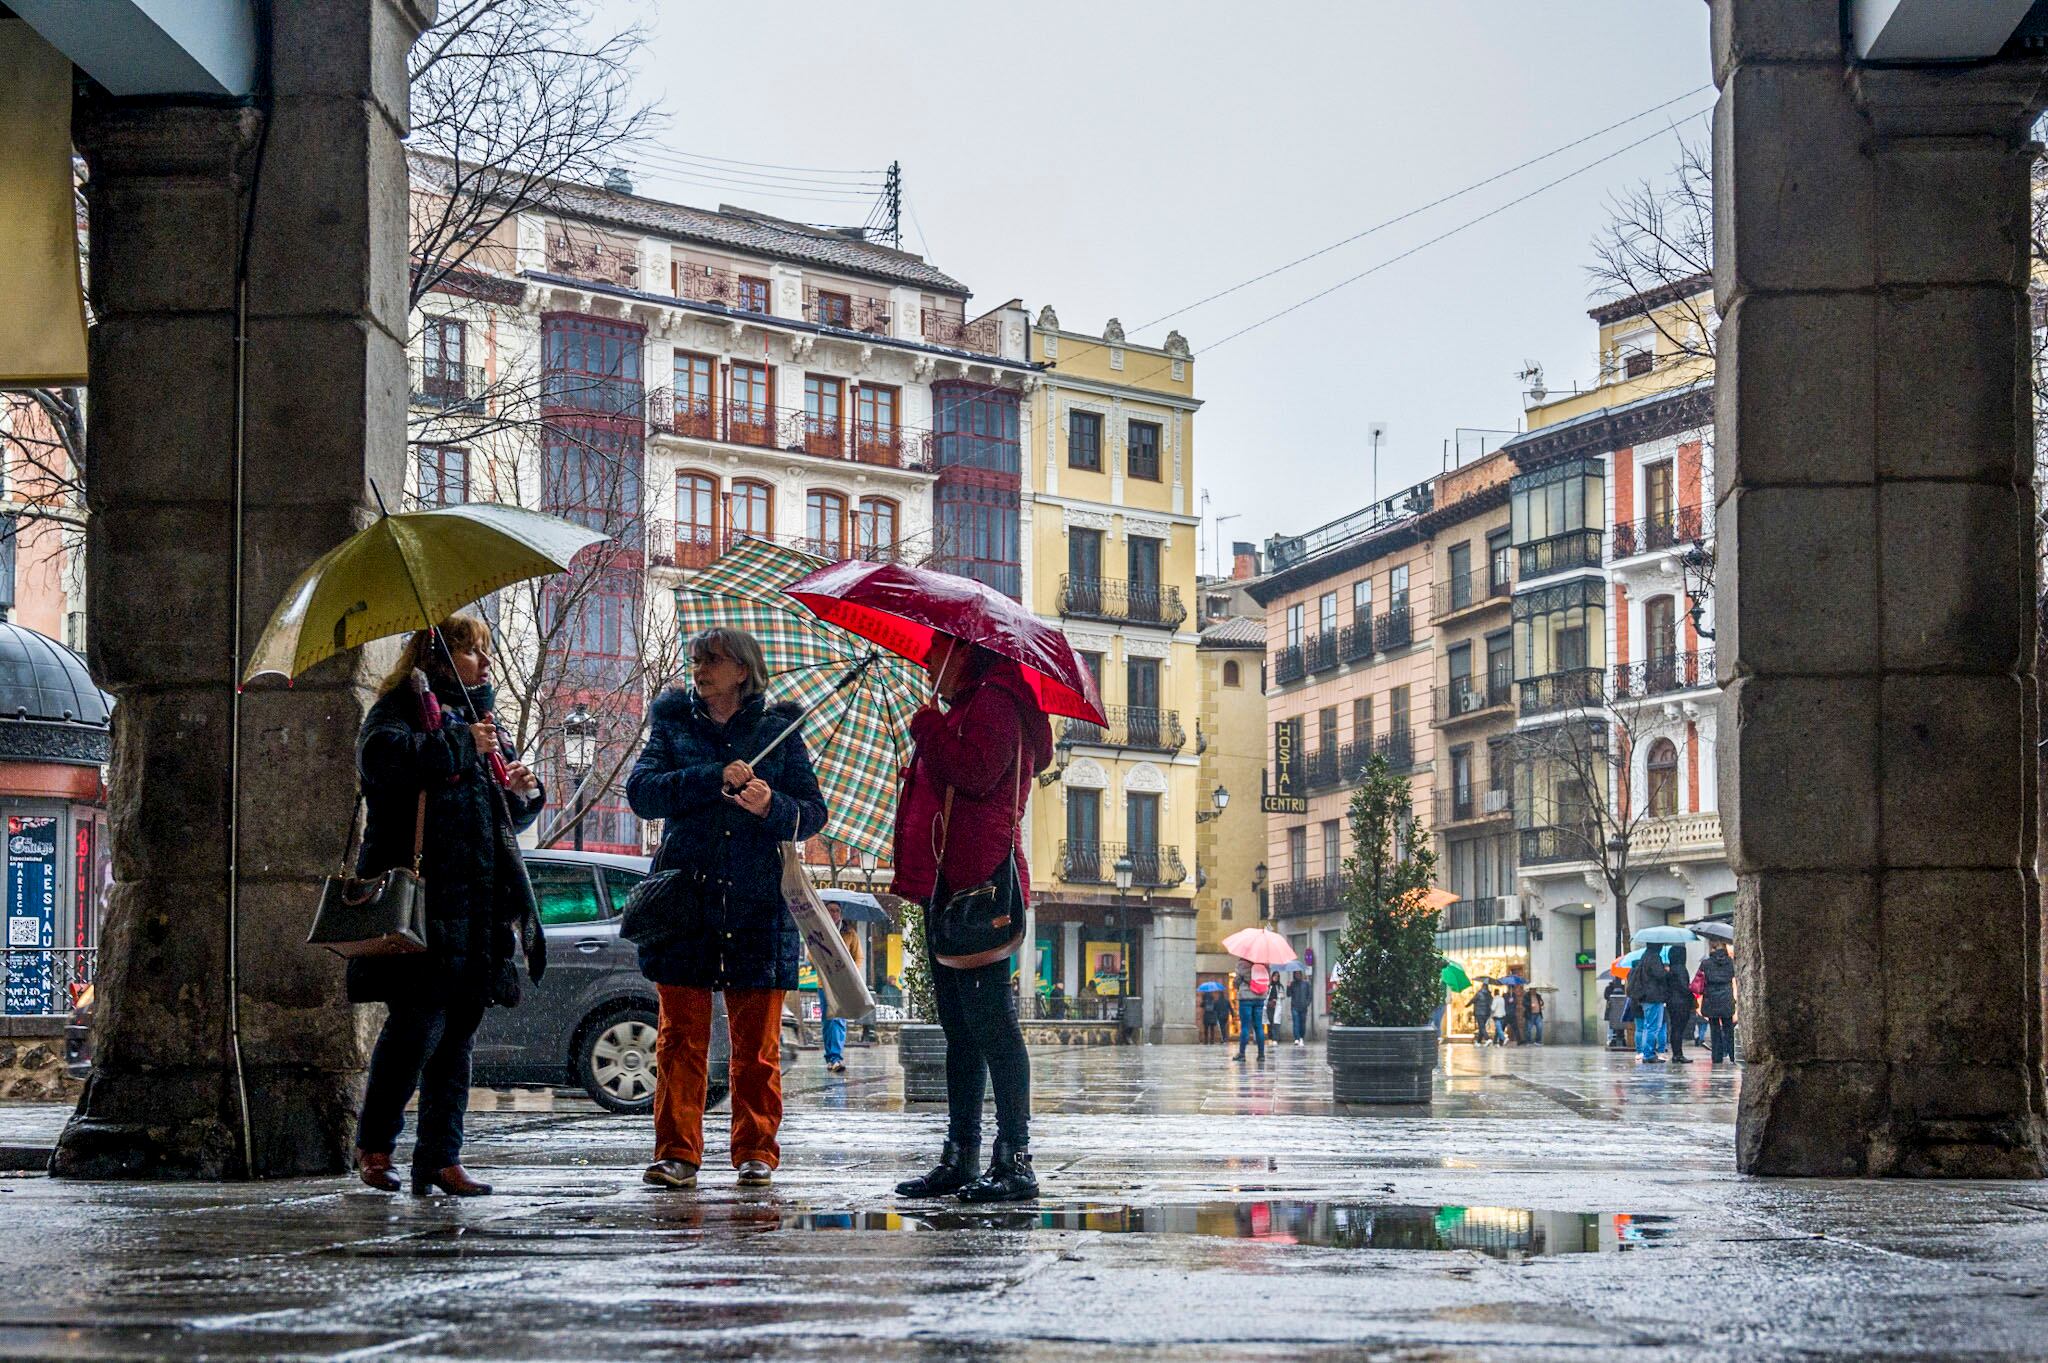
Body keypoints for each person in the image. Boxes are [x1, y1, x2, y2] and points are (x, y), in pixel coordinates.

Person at [350, 615, 544, 1198]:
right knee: (414, 1030)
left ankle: (439, 1157)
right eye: (474, 652)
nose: (486, 665)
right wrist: (462, 744)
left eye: (486, 655)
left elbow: (503, 818)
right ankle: (375, 1146)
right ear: (438, 656)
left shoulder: (485, 724)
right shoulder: (401, 710)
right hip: (424, 902)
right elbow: (382, 763)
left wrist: (523, 792)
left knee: (457, 1037)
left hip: (478, 906)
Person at [628, 627, 828, 1192]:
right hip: (684, 903)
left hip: (756, 906)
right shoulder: (672, 723)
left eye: (712, 660)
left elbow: (813, 813)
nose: (700, 668)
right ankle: (677, 1153)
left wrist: (772, 805)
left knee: (756, 1047)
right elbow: (643, 791)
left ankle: (756, 1151)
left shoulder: (780, 732)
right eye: (696, 659)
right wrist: (711, 776)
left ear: (743, 670)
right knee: (679, 1040)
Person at [891, 638, 1054, 1204]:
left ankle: (1014, 1158)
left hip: (981, 889)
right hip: (950, 886)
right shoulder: (965, 707)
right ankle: (960, 1155)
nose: (927, 662)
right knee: (959, 1032)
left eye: (937, 653)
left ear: (969, 654)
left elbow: (979, 772)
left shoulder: (995, 703)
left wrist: (928, 731)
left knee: (994, 1029)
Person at [819, 906, 860, 1075]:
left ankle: (836, 1057)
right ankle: (830, 1056)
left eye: (836, 910)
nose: (833, 913)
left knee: (839, 1018)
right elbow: (810, 955)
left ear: (841, 913)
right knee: (828, 1019)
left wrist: (852, 973)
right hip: (825, 982)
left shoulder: (849, 933)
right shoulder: (820, 930)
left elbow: (858, 956)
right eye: (829, 910)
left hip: (843, 982)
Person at [1700, 940, 1738, 1063]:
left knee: (1714, 1028)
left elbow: (1701, 978)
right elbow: (1733, 975)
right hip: (1726, 996)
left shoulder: (1706, 963)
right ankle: (1732, 1055)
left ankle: (1717, 1056)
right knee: (1729, 1028)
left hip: (1711, 998)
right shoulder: (1731, 963)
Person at [1627, 950, 1667, 1063]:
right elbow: (1660, 976)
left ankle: (1641, 1051)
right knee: (1654, 1027)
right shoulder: (1653, 962)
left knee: (1641, 1028)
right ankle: (1649, 1053)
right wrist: (1665, 971)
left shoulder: (1633, 973)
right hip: (1652, 999)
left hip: (1638, 1002)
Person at [1662, 945, 1696, 1063]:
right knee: (1679, 1029)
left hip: (1672, 1002)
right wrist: (1691, 993)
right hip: (1681, 1002)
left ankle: (1676, 1053)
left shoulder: (1671, 969)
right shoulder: (1681, 969)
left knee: (1675, 1028)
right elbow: (1683, 987)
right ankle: (1678, 1054)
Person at [1233, 957, 1266, 1062]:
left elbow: (1237, 981)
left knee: (1245, 1026)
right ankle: (1261, 1055)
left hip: (1246, 998)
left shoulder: (1242, 963)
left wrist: (1238, 984)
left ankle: (1242, 1054)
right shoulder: (1264, 964)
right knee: (1259, 1026)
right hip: (1259, 997)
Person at [1288, 970, 1312, 1046]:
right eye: (1296, 974)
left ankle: (1301, 1037)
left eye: (1298, 974)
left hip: (1303, 1007)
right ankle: (1296, 1038)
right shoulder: (1292, 984)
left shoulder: (1306, 984)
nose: (1297, 975)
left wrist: (1307, 1003)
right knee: (1296, 1023)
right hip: (1294, 1006)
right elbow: (1288, 994)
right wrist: (1288, 987)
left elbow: (1309, 995)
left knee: (1302, 1023)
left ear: (1301, 974)